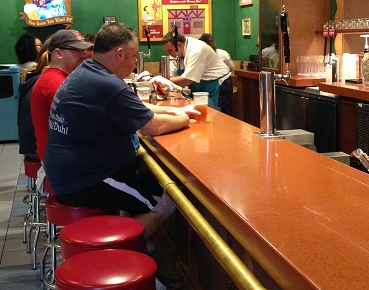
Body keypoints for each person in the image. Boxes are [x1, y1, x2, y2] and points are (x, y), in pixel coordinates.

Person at [44, 22, 198, 239]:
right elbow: (154, 126)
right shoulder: (106, 84)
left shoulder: (86, 73)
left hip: (69, 173)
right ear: (119, 53)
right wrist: (185, 118)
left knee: (145, 186)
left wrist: (175, 111)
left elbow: (137, 107)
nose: (134, 63)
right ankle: (120, 253)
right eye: (133, 56)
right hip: (86, 180)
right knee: (167, 199)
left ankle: (139, 245)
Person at [30, 29, 93, 163]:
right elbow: (81, 124)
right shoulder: (56, 84)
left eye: (84, 50)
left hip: (57, 158)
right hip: (63, 162)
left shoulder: (56, 78)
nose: (84, 54)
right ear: (58, 53)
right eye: (77, 50)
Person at [161, 32, 230, 109]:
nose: (169, 54)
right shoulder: (177, 51)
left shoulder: (196, 50)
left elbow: (188, 80)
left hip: (218, 85)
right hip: (199, 85)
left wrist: (162, 81)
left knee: (217, 115)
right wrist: (165, 81)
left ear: (179, 45)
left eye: (170, 50)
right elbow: (172, 76)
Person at [198, 33, 234, 115]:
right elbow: (231, 68)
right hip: (224, 83)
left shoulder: (201, 54)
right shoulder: (223, 53)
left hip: (219, 85)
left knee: (214, 112)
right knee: (223, 112)